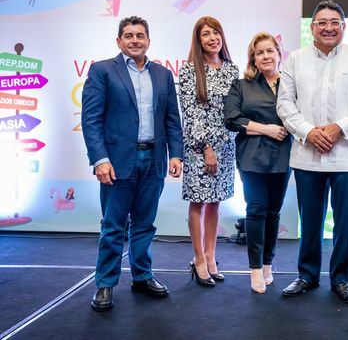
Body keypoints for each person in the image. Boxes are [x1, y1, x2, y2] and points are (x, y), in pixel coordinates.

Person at [277, 0, 348, 304]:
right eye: (321, 22)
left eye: (334, 22)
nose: (328, 27)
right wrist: (309, 131)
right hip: (307, 154)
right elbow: (284, 103)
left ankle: (341, 279)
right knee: (310, 219)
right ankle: (307, 275)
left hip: (347, 154)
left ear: (343, 27)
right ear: (312, 28)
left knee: (346, 221)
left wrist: (339, 127)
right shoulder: (294, 60)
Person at [82, 16, 183, 312]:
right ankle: (105, 283)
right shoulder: (103, 71)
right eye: (128, 35)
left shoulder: (163, 75)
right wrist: (100, 159)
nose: (135, 40)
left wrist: (175, 153)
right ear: (118, 41)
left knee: (144, 224)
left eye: (140, 35)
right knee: (113, 227)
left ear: (149, 41)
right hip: (116, 161)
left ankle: (142, 276)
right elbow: (91, 120)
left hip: (154, 160)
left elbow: (172, 120)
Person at [224, 32, 292, 293]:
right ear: (253, 58)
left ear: (278, 54)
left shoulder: (290, 84)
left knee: (273, 213)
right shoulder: (242, 85)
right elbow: (232, 120)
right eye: (259, 52)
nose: (265, 56)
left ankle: (267, 265)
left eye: (269, 51)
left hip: (284, 157)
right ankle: (254, 270)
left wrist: (262, 128)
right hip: (252, 158)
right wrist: (266, 129)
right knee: (256, 211)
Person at [179, 16, 238, 287]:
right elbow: (190, 114)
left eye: (216, 32)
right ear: (198, 40)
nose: (212, 38)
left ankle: (212, 257)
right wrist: (206, 148)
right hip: (199, 147)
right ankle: (199, 258)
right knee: (198, 201)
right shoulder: (189, 70)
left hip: (226, 146)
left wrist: (224, 143)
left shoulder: (231, 70)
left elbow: (235, 112)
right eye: (206, 34)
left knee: (215, 202)